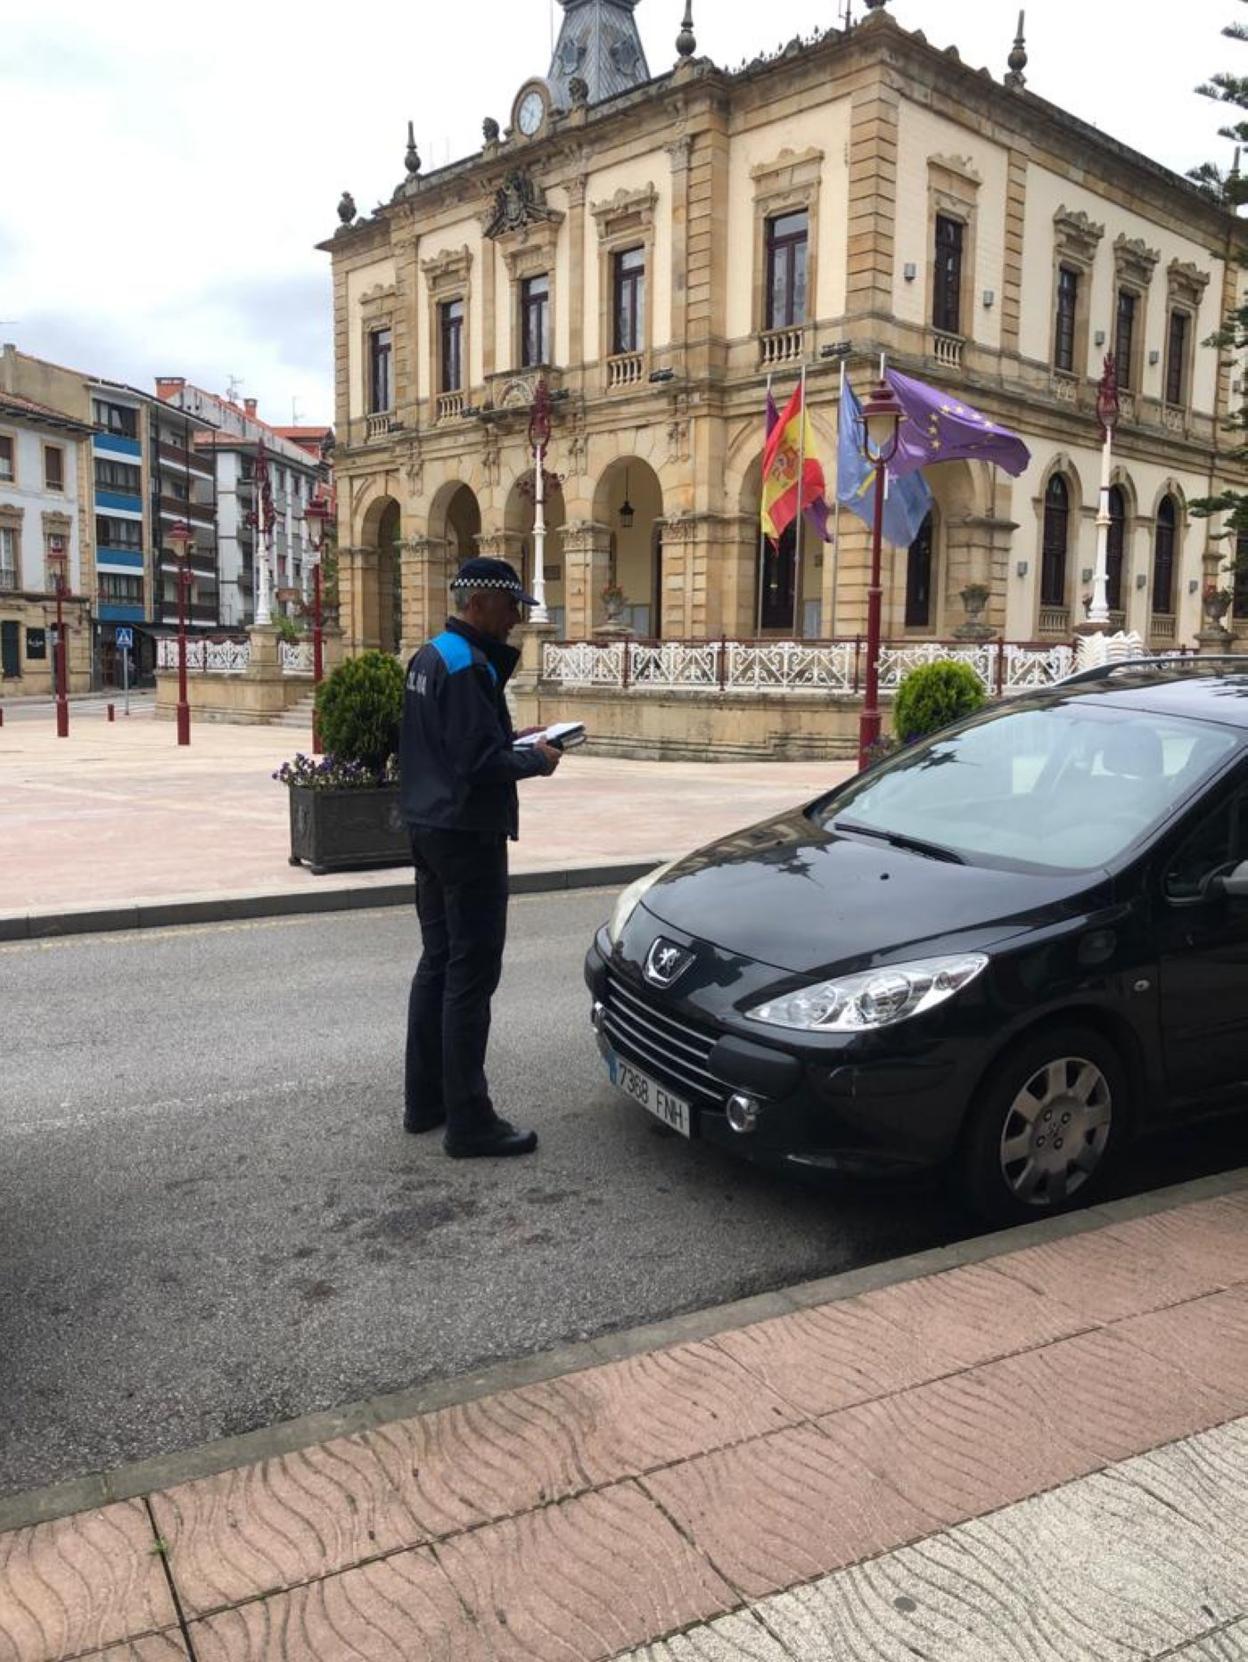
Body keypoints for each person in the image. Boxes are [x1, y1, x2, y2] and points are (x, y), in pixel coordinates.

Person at [399, 556, 563, 1158]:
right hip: (467, 835)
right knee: (470, 976)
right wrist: (535, 761)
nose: (518, 616)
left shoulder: (431, 655)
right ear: (479, 603)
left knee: (437, 964)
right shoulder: (469, 666)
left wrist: (519, 739)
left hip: (427, 827)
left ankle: (425, 1102)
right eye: (510, 604)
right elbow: (477, 764)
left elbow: (450, 745)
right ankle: (469, 1121)